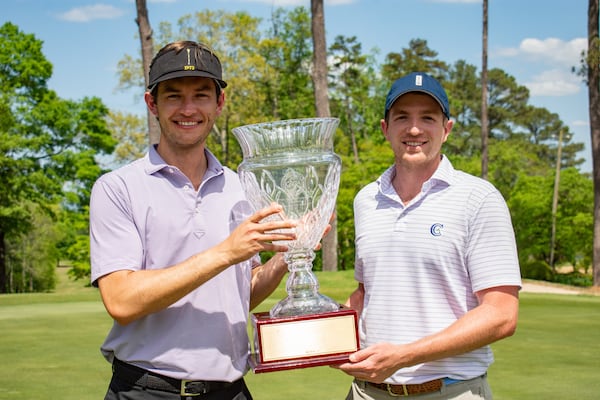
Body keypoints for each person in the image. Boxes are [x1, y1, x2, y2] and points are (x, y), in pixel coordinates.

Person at [89, 40, 299, 400]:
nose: (188, 109)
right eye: (173, 96)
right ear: (152, 103)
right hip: (147, 390)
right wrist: (226, 252)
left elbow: (239, 295)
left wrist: (288, 253)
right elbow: (121, 301)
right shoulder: (117, 187)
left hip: (231, 391)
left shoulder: (242, 186)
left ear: (219, 103)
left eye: (201, 95)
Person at [334, 72, 522, 400]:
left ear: (446, 129)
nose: (415, 129)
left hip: (449, 392)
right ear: (385, 128)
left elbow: (502, 314)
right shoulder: (366, 199)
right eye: (402, 117)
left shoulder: (478, 198)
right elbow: (367, 293)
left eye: (428, 118)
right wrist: (319, 333)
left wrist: (405, 356)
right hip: (365, 393)